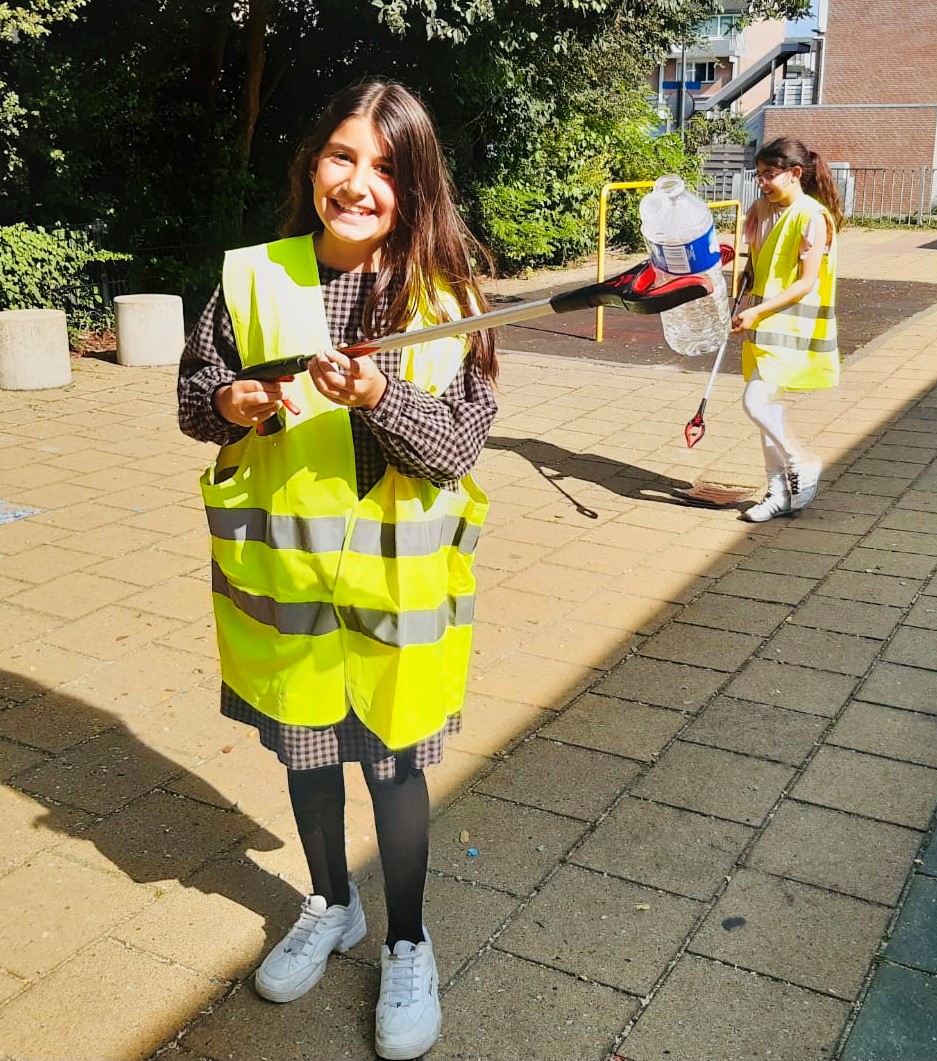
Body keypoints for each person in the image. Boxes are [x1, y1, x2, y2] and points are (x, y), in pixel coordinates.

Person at [177, 79, 498, 1060]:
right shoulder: (251, 278)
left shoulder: (447, 301)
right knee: (309, 757)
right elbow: (194, 400)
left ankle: (406, 937)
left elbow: (458, 443)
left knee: (393, 771)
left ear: (417, 186)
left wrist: (380, 394)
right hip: (287, 596)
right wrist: (233, 403)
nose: (358, 182)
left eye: (386, 167)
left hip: (399, 605)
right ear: (311, 162)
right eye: (341, 156)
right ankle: (330, 902)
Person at [731, 136, 843, 522]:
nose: (762, 182)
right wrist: (743, 299)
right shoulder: (763, 209)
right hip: (763, 324)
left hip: (792, 325)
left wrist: (757, 312)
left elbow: (805, 283)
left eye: (769, 175)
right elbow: (755, 263)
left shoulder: (813, 217)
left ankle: (803, 460)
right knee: (768, 412)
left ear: (795, 173)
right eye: (759, 174)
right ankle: (777, 492)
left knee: (756, 403)